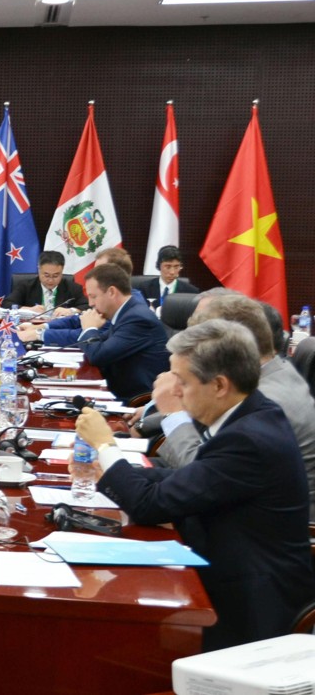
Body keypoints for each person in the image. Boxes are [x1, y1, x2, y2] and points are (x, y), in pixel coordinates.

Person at [75, 319, 315, 651]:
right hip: (219, 573)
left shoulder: (249, 438)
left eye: (183, 382)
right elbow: (191, 478)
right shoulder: (249, 414)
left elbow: (149, 505)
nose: (173, 391)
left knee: (103, 627)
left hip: (246, 610)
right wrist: (119, 472)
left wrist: (105, 448)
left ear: (218, 385)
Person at [154, 294, 315, 517]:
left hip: (257, 526)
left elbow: (200, 475)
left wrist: (172, 413)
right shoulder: (273, 373)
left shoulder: (268, 399)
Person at [73, 263, 170, 402]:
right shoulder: (127, 313)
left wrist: (89, 328)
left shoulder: (137, 319)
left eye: (93, 296)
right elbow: (96, 345)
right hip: (115, 390)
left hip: (134, 400)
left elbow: (98, 355)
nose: (90, 304)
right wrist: (90, 331)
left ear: (112, 292)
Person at [19, 247, 140, 347]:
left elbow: (88, 335)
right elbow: (77, 319)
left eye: (99, 271)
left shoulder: (130, 309)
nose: (93, 275)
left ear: (115, 275)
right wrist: (40, 327)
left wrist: (39, 334)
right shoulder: (112, 299)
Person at [2, 250, 86, 315]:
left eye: (56, 275)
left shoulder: (73, 288)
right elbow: (7, 304)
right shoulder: (25, 286)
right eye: (46, 275)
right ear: (39, 269)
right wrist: (29, 309)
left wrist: (70, 310)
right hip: (31, 328)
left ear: (62, 270)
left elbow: (87, 306)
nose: (50, 280)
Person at [134, 245, 200, 309]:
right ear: (159, 266)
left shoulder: (191, 292)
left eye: (176, 267)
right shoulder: (144, 288)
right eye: (168, 267)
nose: (172, 272)